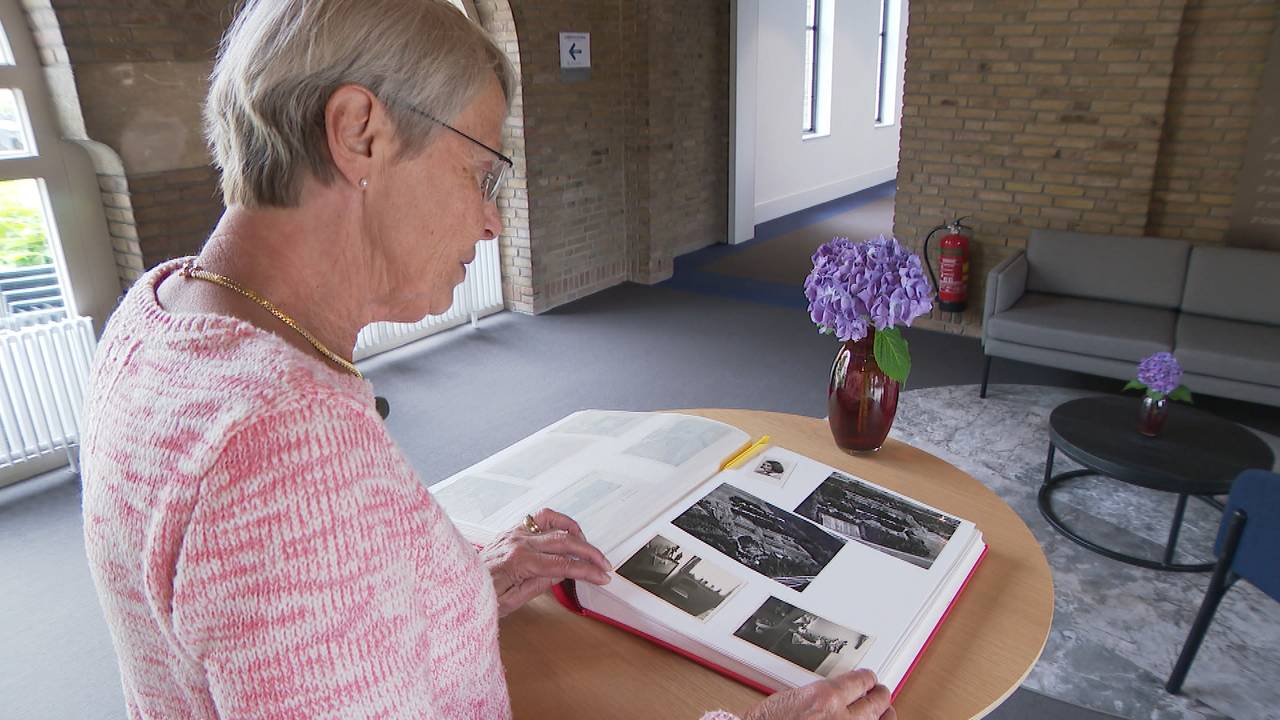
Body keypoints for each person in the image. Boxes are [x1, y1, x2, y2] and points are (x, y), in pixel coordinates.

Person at [79, 1, 896, 719]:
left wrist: (456, 593)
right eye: (480, 173)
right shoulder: (286, 452)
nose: (490, 223)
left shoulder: (155, 317)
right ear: (359, 132)